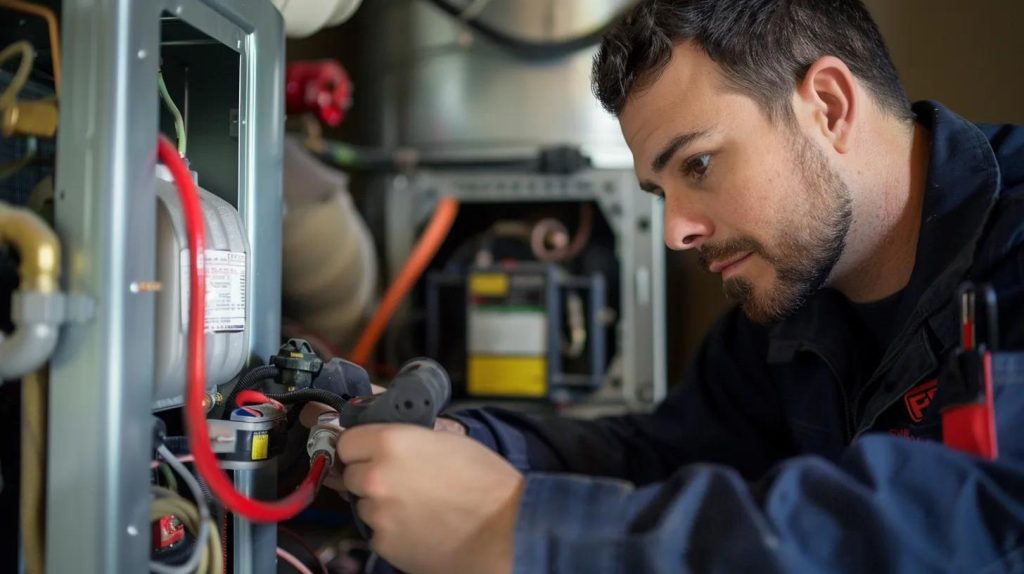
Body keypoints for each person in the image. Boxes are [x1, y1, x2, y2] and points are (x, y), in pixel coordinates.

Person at [330, 1, 1024, 572]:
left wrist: (517, 530)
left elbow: (969, 522)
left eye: (698, 165)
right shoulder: (786, 305)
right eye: (658, 190)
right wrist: (465, 445)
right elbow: (657, 458)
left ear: (831, 106)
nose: (675, 233)